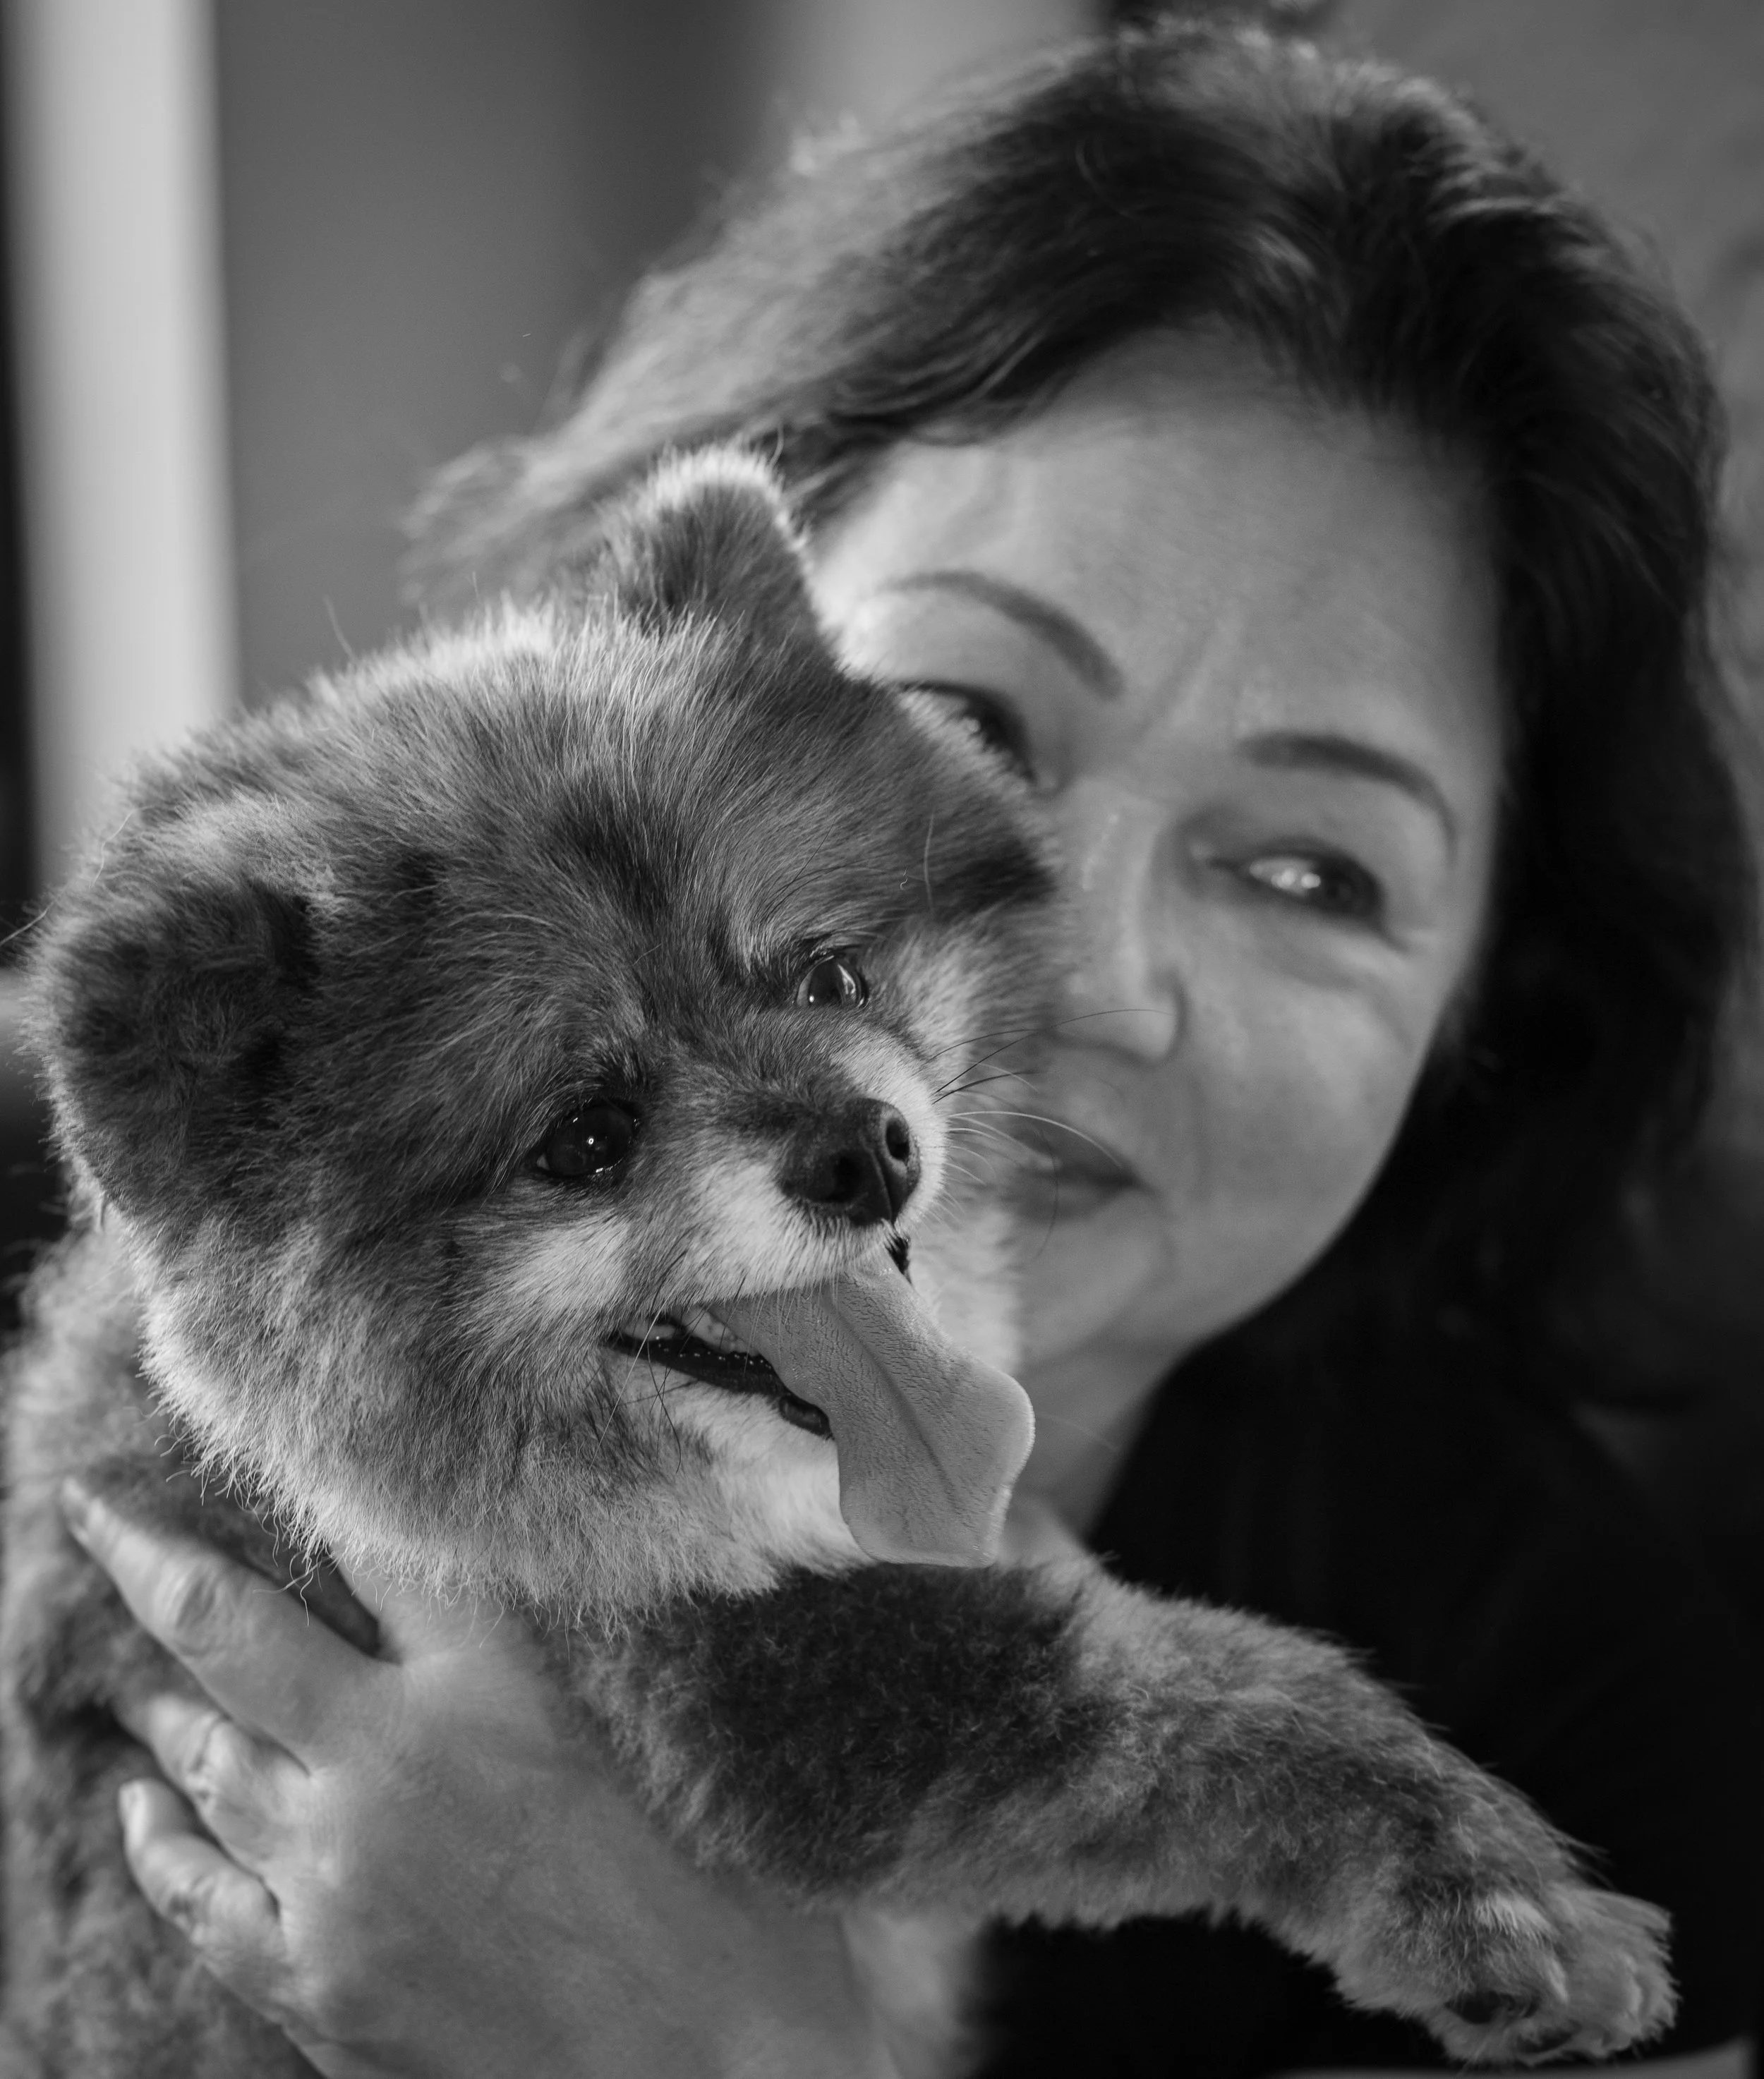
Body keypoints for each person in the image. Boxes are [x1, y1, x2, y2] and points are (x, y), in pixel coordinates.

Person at [58, 19, 1763, 2078]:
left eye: (1311, 870)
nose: (1089, 966)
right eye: (973, 719)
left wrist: (731, 2054)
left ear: (1496, 986)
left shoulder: (1592, 1678)